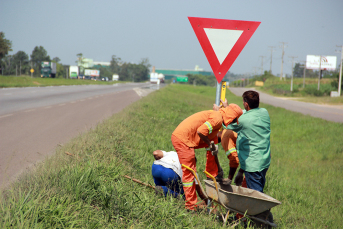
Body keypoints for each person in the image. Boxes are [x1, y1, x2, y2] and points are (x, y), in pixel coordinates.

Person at [223, 90, 271, 193]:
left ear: (246, 103)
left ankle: (261, 209)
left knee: (256, 196)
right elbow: (244, 113)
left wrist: (225, 109)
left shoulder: (243, 120)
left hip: (253, 164)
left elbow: (227, 124)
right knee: (258, 190)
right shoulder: (264, 112)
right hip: (264, 160)